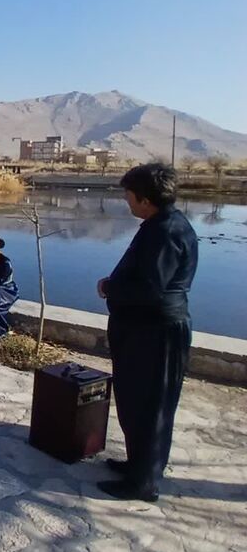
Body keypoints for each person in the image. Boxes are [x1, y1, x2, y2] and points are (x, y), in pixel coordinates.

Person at [95, 163, 198, 503]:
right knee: (135, 401)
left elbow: (151, 289)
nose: (126, 202)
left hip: (155, 332)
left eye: (128, 196)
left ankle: (144, 482)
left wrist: (111, 287)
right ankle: (139, 465)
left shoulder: (167, 232)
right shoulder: (158, 224)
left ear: (145, 199)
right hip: (141, 329)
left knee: (150, 405)